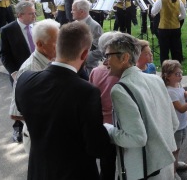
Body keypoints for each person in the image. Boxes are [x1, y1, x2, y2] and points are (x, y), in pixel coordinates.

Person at [15, 21, 111, 179]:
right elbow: (96, 148)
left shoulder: (25, 79)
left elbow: (22, 112)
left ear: (57, 46)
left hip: (38, 171)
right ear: (85, 54)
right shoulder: (87, 92)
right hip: (75, 173)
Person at [102, 33, 179, 180]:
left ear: (124, 58)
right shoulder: (156, 79)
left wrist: (109, 130)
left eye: (108, 56)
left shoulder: (120, 90)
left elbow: (136, 138)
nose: (105, 62)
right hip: (165, 166)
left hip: (142, 170)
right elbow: (173, 123)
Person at [9, 19, 60, 153]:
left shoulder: (51, 59)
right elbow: (15, 113)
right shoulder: (31, 70)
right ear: (39, 44)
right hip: (40, 140)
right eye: (56, 43)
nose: (61, 46)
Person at [0, 1, 36, 143]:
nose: (34, 15)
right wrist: (13, 72)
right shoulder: (7, 30)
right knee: (20, 101)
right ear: (20, 15)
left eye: (34, 12)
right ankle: (18, 127)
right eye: (31, 13)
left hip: (38, 70)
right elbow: (4, 54)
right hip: (18, 74)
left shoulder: (37, 26)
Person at [89, 32, 121, 180]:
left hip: (101, 123)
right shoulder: (119, 73)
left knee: (107, 164)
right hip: (118, 123)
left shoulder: (95, 71)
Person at [151, 0, 186, 65]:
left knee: (164, 51)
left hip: (164, 29)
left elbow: (153, 12)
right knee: (176, 51)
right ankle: (177, 68)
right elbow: (184, 15)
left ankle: (165, 70)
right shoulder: (178, 0)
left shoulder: (161, 1)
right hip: (176, 28)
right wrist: (177, 18)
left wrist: (157, 0)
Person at [72, 0, 103, 73]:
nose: (71, 12)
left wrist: (81, 59)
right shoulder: (74, 24)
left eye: (73, 10)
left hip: (88, 68)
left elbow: (100, 50)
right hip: (73, 66)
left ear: (81, 12)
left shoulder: (95, 26)